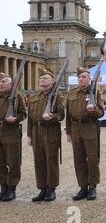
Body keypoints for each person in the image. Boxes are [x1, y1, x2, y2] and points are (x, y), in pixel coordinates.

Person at [66, 67, 104, 201]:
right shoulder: (71, 93)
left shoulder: (95, 92)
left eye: (84, 77)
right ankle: (83, 187)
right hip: (75, 128)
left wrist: (93, 110)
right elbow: (67, 114)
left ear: (89, 79)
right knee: (79, 159)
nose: (82, 79)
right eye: (80, 77)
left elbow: (101, 113)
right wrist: (68, 132)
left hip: (90, 127)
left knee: (92, 159)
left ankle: (92, 187)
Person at [27, 68, 65, 202]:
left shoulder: (57, 96)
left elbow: (61, 115)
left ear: (52, 81)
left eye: (46, 78)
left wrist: (52, 117)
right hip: (36, 131)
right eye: (41, 78)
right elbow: (30, 118)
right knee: (39, 160)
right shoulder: (33, 97)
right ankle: (42, 188)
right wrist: (29, 135)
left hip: (50, 130)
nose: (43, 80)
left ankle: (51, 188)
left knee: (51, 159)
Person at [0, 73, 27, 201]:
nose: (1, 84)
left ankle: (12, 188)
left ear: (11, 85)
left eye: (4, 81)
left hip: (11, 132)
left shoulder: (17, 97)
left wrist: (15, 118)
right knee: (0, 162)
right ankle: (3, 187)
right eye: (0, 82)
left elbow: (23, 113)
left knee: (13, 162)